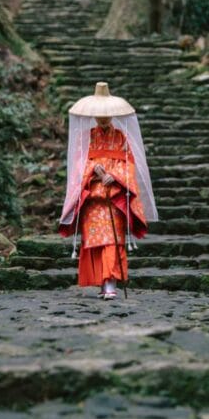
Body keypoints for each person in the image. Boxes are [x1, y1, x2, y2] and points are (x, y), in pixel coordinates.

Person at [58, 82, 157, 299]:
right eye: (99, 115)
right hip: (93, 198)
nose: (103, 118)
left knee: (113, 239)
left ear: (112, 114)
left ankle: (110, 283)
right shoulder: (86, 138)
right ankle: (101, 282)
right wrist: (94, 169)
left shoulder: (121, 137)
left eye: (106, 115)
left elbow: (128, 163)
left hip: (114, 197)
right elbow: (78, 165)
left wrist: (116, 175)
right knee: (96, 240)